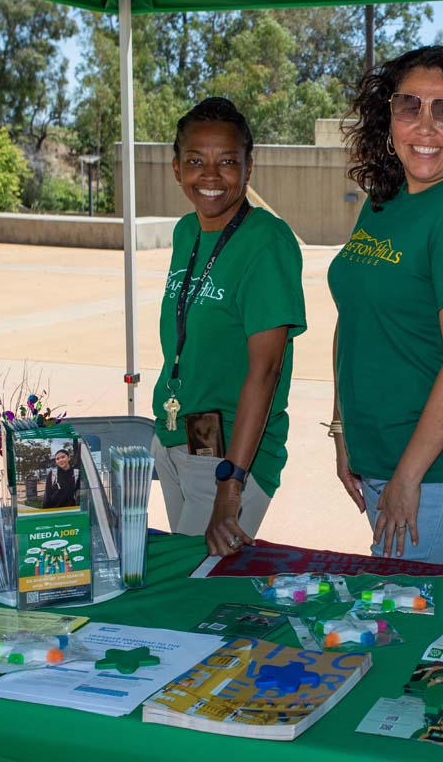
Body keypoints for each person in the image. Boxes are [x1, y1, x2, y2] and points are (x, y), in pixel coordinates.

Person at [329, 45, 443, 564]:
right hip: (379, 454)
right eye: (409, 106)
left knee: (405, 614)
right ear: (387, 119)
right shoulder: (384, 201)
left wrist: (408, 476)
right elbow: (355, 317)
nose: (426, 126)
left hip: (437, 468)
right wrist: (343, 427)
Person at [151, 97, 307, 557]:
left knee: (197, 585)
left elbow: (267, 370)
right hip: (180, 438)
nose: (211, 176)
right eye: (196, 161)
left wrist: (231, 485)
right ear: (176, 168)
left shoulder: (267, 242)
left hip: (230, 457)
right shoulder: (186, 232)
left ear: (249, 167)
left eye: (227, 162)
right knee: (183, 575)